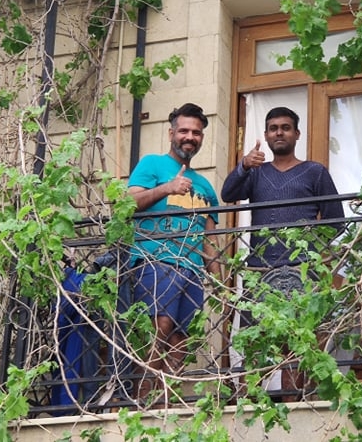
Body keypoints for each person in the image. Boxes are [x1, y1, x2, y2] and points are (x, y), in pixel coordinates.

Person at [220, 106, 344, 399]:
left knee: (296, 344)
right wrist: (244, 165)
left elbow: (336, 222)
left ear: (297, 134)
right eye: (273, 128)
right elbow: (228, 194)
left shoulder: (314, 172)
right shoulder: (256, 173)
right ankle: (249, 406)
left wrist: (313, 252)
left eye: (285, 128)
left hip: (302, 272)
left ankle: (294, 404)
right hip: (259, 271)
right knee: (254, 342)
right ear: (265, 135)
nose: (279, 133)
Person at [127, 102, 220, 400]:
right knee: (160, 325)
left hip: (191, 269)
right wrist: (168, 188)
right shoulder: (152, 164)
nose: (190, 137)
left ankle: (163, 403)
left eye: (196, 132)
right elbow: (128, 204)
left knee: (181, 338)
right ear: (171, 134)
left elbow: (209, 239)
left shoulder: (206, 186)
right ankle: (142, 401)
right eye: (184, 131)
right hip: (155, 261)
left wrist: (220, 282)